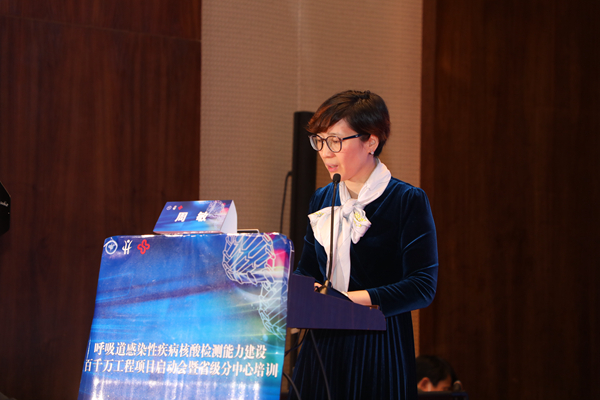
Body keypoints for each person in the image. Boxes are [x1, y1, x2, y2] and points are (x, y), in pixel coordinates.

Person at [290, 90, 438, 400]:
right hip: (322, 345)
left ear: (371, 141)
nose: (325, 152)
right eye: (319, 141)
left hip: (379, 345)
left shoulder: (406, 200)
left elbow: (422, 286)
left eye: (335, 141)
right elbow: (308, 269)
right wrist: (294, 296)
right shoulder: (322, 197)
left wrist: (343, 301)